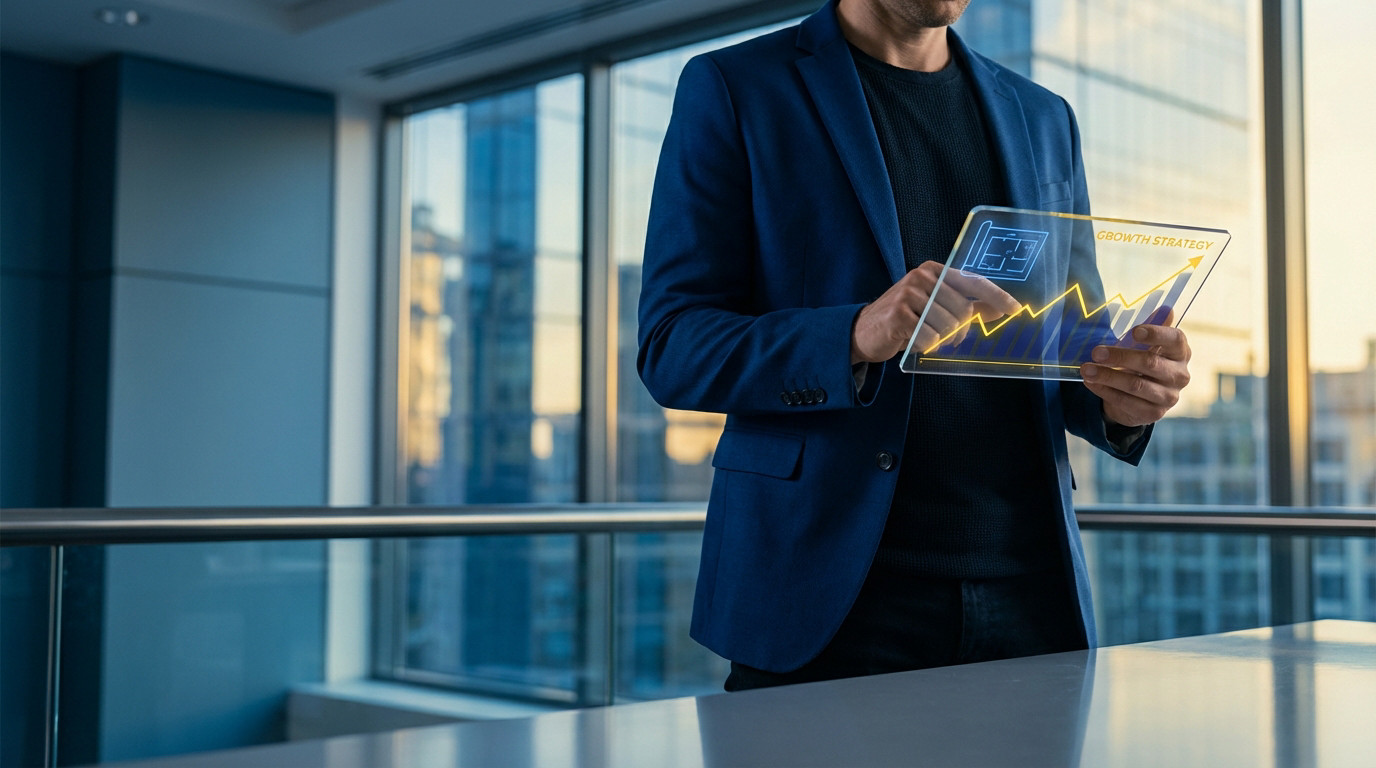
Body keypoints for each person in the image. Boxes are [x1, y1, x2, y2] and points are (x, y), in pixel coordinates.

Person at [636, 0, 1192, 691]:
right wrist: (856, 334)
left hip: (1032, 595)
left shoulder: (1044, 117)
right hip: (828, 598)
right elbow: (672, 343)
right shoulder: (737, 86)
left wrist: (1124, 397)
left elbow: (1068, 346)